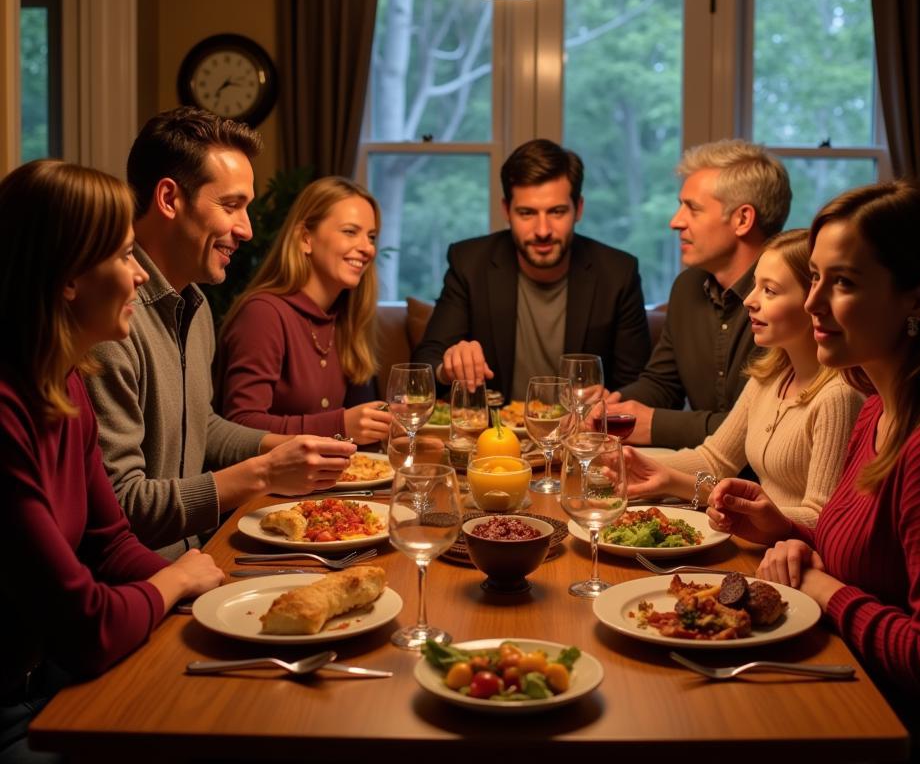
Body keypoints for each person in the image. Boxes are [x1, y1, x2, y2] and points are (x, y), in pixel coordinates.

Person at [707, 180, 920, 762]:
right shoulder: (878, 403)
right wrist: (787, 532)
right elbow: (882, 563)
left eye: (843, 282)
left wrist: (824, 588)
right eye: (817, 277)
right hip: (855, 689)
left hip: (913, 737)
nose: (812, 302)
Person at [0, 160, 224, 763]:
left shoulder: (68, 384)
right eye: (126, 255)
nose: (139, 276)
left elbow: (110, 542)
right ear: (69, 277)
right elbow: (85, 623)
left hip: (48, 683)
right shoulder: (6, 410)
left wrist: (212, 600)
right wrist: (176, 580)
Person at [87, 108, 355, 559]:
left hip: (202, 554)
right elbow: (123, 506)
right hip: (148, 581)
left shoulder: (195, 304)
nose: (247, 229)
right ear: (170, 199)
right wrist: (265, 474)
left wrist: (293, 448)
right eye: (231, 206)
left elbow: (200, 426)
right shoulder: (110, 320)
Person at [622, 229, 862, 525]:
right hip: (757, 542)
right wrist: (631, 465)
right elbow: (715, 460)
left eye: (769, 291)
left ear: (812, 301)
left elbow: (821, 518)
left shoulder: (838, 396)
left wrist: (737, 507)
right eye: (755, 286)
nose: (749, 300)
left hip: (789, 557)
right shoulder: (770, 375)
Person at [412, 138, 650, 400]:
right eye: (527, 213)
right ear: (506, 210)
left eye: (557, 212)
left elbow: (639, 384)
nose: (543, 231)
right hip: (496, 435)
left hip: (580, 433)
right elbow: (426, 361)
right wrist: (448, 367)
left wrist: (611, 399)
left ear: (578, 209)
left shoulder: (618, 274)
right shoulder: (469, 263)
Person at [609, 139, 791, 449]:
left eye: (692, 208)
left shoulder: (791, 299)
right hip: (700, 471)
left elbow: (763, 428)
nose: (675, 222)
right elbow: (663, 383)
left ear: (743, 219)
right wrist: (611, 408)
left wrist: (656, 425)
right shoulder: (687, 287)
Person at [217, 176, 390, 442]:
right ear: (305, 238)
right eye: (350, 232)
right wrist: (339, 425)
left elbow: (363, 428)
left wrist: (393, 429)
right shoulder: (263, 314)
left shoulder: (347, 317)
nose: (367, 248)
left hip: (332, 480)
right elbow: (241, 425)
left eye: (371, 237)